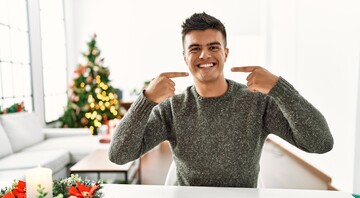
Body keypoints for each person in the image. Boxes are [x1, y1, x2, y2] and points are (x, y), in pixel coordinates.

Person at [109, 12, 333, 187]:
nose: (204, 55)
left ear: (226, 53)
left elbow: (320, 143)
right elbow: (119, 155)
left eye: (213, 47)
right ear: (184, 57)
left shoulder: (257, 103)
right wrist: (146, 100)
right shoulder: (172, 108)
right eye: (195, 49)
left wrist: (279, 89)